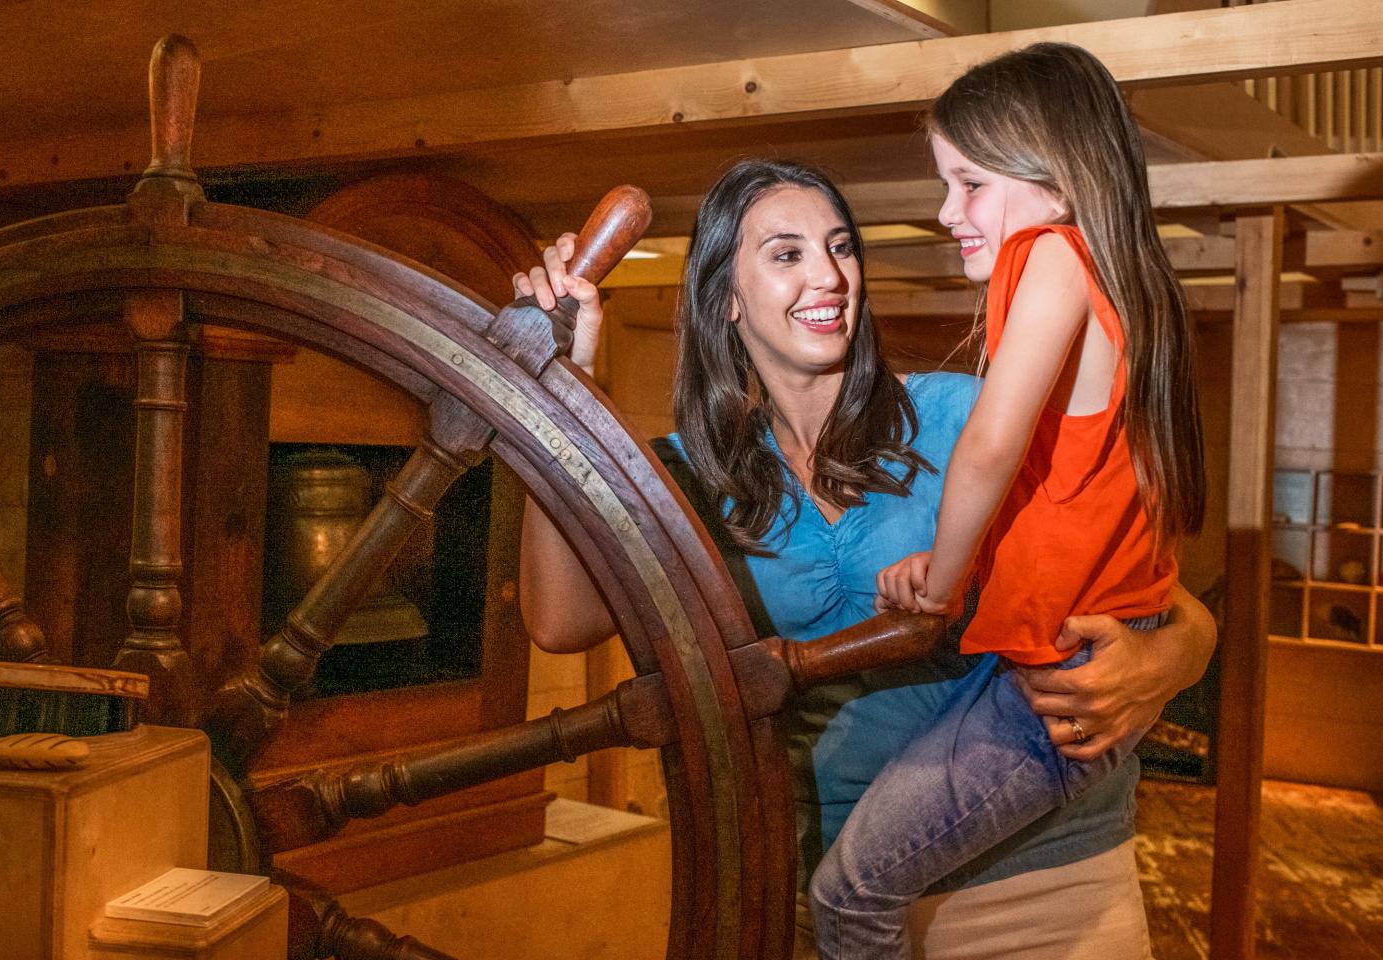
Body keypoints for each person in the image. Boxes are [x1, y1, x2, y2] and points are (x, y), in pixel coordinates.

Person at [517, 157, 1215, 959]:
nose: (829, 276)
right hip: (827, 900)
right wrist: (558, 384)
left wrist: (1167, 661)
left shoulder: (966, 419)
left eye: (841, 248)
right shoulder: (686, 478)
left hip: (1043, 892)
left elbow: (1168, 601)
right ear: (726, 299)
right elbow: (560, 621)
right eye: (787, 255)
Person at [807, 43, 1207, 960]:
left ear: (1056, 181)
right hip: (1065, 652)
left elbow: (990, 446)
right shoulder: (1118, 280)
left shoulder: (1052, 253)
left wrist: (945, 581)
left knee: (849, 892)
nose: (947, 211)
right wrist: (964, 567)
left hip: (1052, 686)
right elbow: (1058, 496)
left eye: (969, 182)